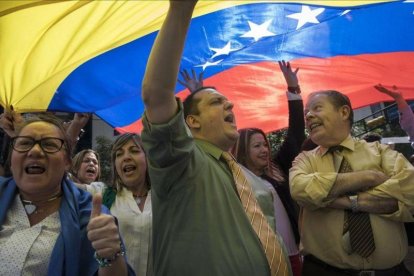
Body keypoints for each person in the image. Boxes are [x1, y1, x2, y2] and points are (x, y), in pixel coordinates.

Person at [141, 1, 290, 275]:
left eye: (228, 103)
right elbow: (156, 96)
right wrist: (181, 10)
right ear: (192, 122)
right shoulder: (181, 162)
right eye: (216, 102)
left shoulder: (251, 181)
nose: (230, 106)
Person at [290, 90, 414, 275]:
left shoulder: (381, 152)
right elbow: (300, 189)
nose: (308, 115)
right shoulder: (304, 160)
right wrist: (369, 177)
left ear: (344, 112)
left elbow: (409, 191)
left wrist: (341, 201)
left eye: (316, 108)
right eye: (306, 111)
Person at [0, 113, 132, 275]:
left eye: (49, 145)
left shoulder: (92, 215)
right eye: (25, 143)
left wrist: (110, 255)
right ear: (11, 159)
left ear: (67, 162)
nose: (34, 151)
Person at [229, 61, 304, 276]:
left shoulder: (277, 168)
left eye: (265, 144)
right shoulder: (235, 178)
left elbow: (296, 133)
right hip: (263, 260)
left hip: (295, 255)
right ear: (243, 150)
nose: (264, 150)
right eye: (256, 146)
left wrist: (293, 89)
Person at [78, 133, 152, 276]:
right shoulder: (102, 193)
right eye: (119, 154)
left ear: (148, 158)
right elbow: (61, 185)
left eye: (134, 151)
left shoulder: (164, 198)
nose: (126, 157)